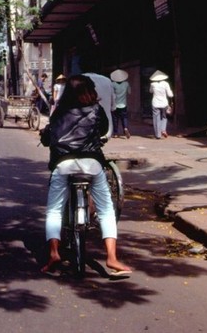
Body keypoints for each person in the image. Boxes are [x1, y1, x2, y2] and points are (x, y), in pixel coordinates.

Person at [42, 74, 132, 276]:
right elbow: (105, 130)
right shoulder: (96, 110)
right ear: (90, 91)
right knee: (106, 209)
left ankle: (54, 252)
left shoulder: (58, 112)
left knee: (54, 211)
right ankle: (112, 257)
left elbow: (49, 138)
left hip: (63, 164)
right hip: (92, 164)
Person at [150, 70, 174, 139]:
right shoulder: (166, 84)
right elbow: (170, 94)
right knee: (164, 117)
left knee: (156, 118)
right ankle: (163, 130)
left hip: (155, 103)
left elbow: (150, 91)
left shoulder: (152, 84)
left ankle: (158, 135)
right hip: (164, 103)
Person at [110, 69, 131, 138]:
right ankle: (125, 128)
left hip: (115, 104)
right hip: (123, 104)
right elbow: (129, 92)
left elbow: (111, 94)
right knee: (124, 117)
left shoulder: (113, 84)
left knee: (115, 119)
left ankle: (115, 133)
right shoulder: (126, 83)